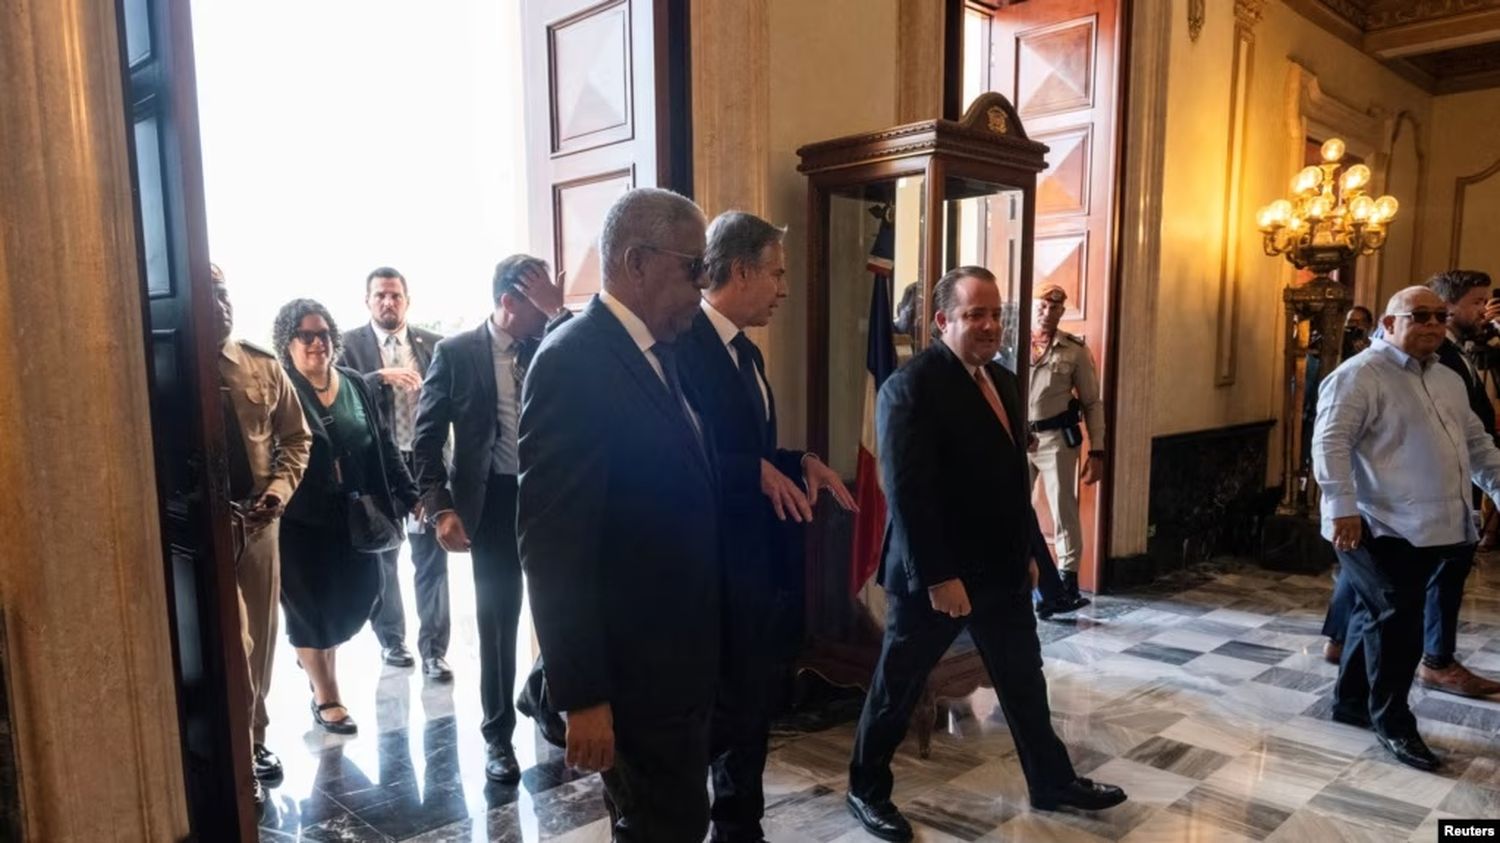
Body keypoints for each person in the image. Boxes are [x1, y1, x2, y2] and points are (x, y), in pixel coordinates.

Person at [846, 267, 1126, 842]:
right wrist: (941, 577)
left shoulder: (1001, 379)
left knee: (1025, 680)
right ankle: (865, 788)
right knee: (897, 689)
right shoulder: (911, 387)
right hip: (936, 580)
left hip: (1000, 573)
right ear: (942, 321)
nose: (989, 325)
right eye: (975, 314)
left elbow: (1006, 480)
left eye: (996, 313)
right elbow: (909, 495)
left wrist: (1027, 553)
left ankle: (1052, 780)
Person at [518, 187, 719, 841]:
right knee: (664, 827)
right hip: (630, 677)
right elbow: (553, 547)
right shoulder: (572, 363)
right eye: (695, 266)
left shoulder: (665, 351)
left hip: (677, 664)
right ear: (638, 261)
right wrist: (583, 695)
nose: (704, 284)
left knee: (676, 821)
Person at [677, 211, 857, 842]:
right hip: (700, 572)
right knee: (707, 720)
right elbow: (670, 453)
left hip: (754, 572)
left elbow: (753, 448)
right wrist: (746, 469)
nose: (784, 289)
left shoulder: (747, 351)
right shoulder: (680, 344)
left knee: (750, 711)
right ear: (743, 269)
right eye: (777, 274)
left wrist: (798, 459)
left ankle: (740, 829)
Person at [1313, 285, 1500, 771]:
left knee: (1374, 614)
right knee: (1399, 622)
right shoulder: (1358, 375)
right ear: (1389, 323)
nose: (1433, 324)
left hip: (1433, 524)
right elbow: (1330, 444)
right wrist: (1341, 509)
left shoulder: (1447, 379)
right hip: (1375, 523)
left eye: (1439, 316)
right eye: (1419, 316)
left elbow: (1477, 446)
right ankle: (1393, 722)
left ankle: (1351, 702)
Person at [410, 254, 566, 783]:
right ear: (507, 302)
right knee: (498, 622)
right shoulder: (455, 354)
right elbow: (425, 440)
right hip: (491, 503)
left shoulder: (552, 342)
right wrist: (441, 509)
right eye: (537, 302)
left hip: (551, 499)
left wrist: (558, 313)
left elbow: (596, 364)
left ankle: (540, 694)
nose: (546, 313)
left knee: (568, 609)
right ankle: (497, 736)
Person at [274, 298, 419, 735]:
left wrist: (410, 494)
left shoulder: (355, 381)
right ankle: (327, 695)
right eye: (305, 335)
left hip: (355, 516)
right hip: (301, 521)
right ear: (288, 342)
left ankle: (316, 665)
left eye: (322, 334)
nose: (316, 343)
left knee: (357, 596)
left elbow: (384, 444)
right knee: (308, 610)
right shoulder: (281, 387)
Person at [210, 265, 311, 808]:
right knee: (235, 640)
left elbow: (297, 438)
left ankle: (254, 739)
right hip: (202, 527)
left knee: (262, 643)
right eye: (206, 293)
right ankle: (230, 746)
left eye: (223, 293)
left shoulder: (261, 365)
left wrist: (278, 490)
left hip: (258, 522)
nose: (218, 304)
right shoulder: (164, 363)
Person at [338, 266, 452, 678]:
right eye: (380, 295)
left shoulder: (434, 345)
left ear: (407, 300)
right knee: (385, 556)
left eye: (395, 295)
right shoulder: (347, 346)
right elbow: (336, 390)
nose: (388, 302)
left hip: (424, 464)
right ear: (367, 301)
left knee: (432, 558)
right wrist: (378, 378)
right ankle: (393, 642)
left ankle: (435, 651)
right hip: (380, 468)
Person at [1027, 283, 1105, 602]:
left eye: (1055, 308)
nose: (1048, 314)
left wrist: (1097, 450)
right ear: (1033, 308)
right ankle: (1021, 570)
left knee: (1063, 508)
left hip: (1056, 439)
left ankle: (1067, 579)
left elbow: (1092, 403)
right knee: (1011, 506)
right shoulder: (1012, 343)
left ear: (1063, 311)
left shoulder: (1074, 350)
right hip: (1019, 439)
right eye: (1042, 307)